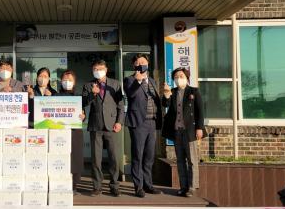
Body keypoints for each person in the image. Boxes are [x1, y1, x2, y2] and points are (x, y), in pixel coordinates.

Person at [82, 59, 124, 197]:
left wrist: (119, 122)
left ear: (106, 70)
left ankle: (114, 185)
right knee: (96, 159)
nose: (98, 71)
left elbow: (120, 106)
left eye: (100, 68)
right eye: (95, 69)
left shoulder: (115, 84)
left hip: (112, 125)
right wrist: (92, 94)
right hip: (96, 125)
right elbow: (83, 103)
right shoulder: (88, 85)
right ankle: (97, 186)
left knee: (114, 157)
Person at [123, 54, 163, 198]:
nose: (141, 64)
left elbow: (156, 100)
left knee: (149, 156)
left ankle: (148, 184)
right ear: (134, 65)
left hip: (152, 122)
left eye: (143, 62)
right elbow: (130, 94)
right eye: (138, 62)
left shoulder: (151, 80)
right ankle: (138, 187)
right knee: (138, 155)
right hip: (138, 122)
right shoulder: (129, 79)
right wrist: (138, 81)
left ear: (147, 64)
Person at [162, 67, 204, 197]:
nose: (178, 79)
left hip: (190, 130)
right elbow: (165, 104)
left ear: (187, 78)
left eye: (181, 76)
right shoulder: (173, 92)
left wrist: (199, 128)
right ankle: (183, 186)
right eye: (176, 77)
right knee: (180, 160)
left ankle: (192, 187)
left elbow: (200, 111)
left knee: (192, 160)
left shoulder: (194, 91)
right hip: (176, 131)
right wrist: (166, 94)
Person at [58, 70, 85, 195]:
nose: (67, 82)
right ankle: (60, 184)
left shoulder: (78, 97)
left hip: (75, 131)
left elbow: (83, 113)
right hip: (59, 132)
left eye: (70, 80)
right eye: (65, 80)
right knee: (60, 157)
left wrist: (83, 116)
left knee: (75, 158)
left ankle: (74, 185)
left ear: (74, 82)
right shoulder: (55, 96)